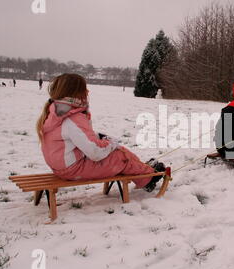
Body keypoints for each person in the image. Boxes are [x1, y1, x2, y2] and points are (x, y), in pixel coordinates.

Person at [36, 73, 165, 192]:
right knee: (120, 156)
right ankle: (148, 179)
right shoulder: (73, 118)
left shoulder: (57, 113)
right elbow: (95, 152)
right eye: (84, 89)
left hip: (61, 168)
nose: (87, 92)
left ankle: (143, 168)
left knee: (118, 151)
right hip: (74, 170)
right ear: (77, 92)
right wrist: (110, 142)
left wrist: (101, 138)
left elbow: (78, 137)